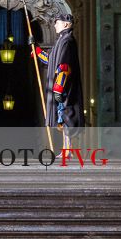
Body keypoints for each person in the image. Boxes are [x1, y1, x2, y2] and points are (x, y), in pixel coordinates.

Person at [29, 12, 84, 151]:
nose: (54, 25)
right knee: (61, 118)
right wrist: (36, 49)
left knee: (66, 116)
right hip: (59, 87)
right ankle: (66, 149)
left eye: (57, 22)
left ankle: (69, 149)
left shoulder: (67, 41)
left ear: (66, 24)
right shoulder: (61, 40)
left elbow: (64, 66)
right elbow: (51, 60)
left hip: (65, 88)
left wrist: (59, 88)